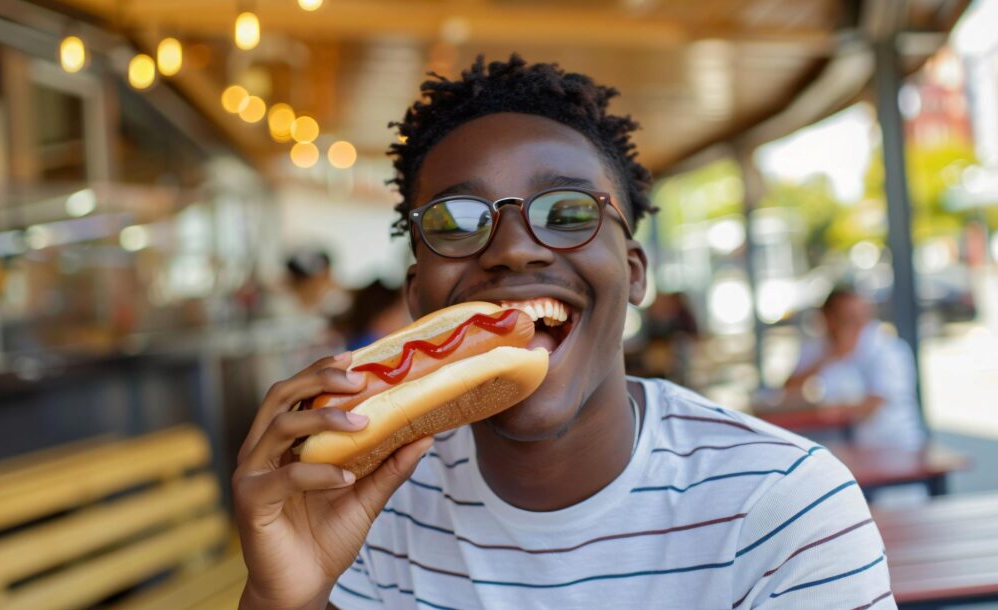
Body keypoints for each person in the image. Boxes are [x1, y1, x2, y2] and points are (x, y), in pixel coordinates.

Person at [234, 55, 894, 609]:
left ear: (635, 273)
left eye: (568, 210)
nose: (515, 250)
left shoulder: (785, 506)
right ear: (417, 297)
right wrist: (281, 598)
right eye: (458, 223)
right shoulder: (366, 511)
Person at [785, 286, 926, 451]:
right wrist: (830, 357)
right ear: (828, 318)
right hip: (838, 446)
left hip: (892, 445)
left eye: (862, 317)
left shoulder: (887, 348)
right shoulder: (818, 346)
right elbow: (787, 391)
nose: (857, 324)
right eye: (847, 318)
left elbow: (873, 404)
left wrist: (828, 411)